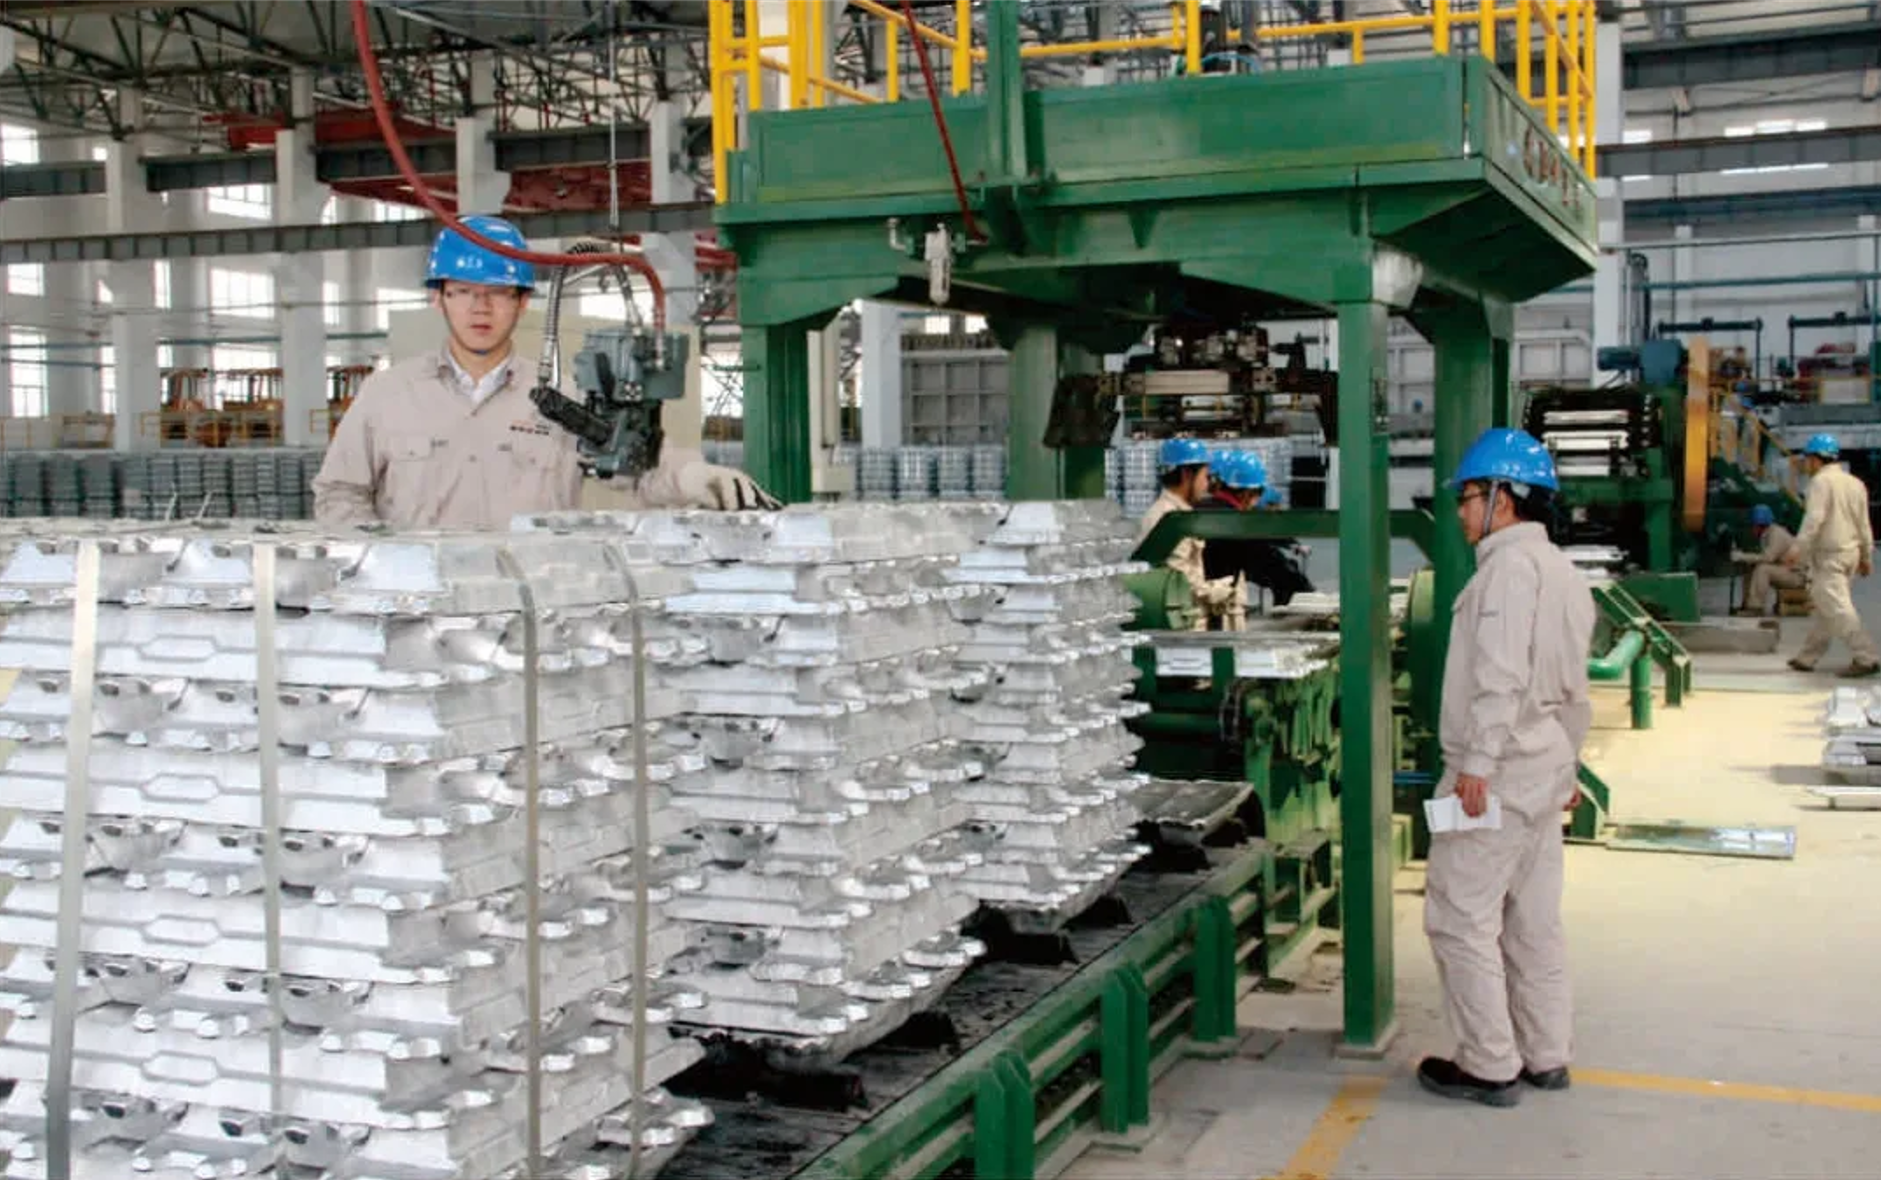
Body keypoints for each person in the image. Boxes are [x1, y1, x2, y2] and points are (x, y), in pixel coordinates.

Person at [314, 215, 778, 531]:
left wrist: (694, 476)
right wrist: (380, 565)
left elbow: (638, 469)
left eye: (499, 293)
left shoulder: (564, 401)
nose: (481, 307)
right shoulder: (387, 395)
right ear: (438, 298)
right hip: (419, 616)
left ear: (522, 302)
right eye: (464, 291)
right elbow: (339, 495)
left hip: (531, 612)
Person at [1420, 427, 1595, 1110]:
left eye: (1467, 498)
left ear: (1503, 497)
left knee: (1458, 918)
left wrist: (1477, 763)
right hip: (1543, 766)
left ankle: (1488, 1064)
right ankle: (1546, 1055)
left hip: (1499, 772)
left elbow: (1500, 676)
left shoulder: (1505, 573)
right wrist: (1569, 768)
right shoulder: (1564, 573)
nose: (1460, 513)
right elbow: (1575, 688)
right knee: (1532, 922)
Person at [1782, 433, 1879, 676]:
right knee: (1825, 607)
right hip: (1850, 555)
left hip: (1830, 556)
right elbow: (1864, 524)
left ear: (1816, 459)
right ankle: (1807, 657)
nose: (1806, 464)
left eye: (1807, 459)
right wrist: (1866, 556)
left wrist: (1797, 549)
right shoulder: (1855, 483)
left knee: (1837, 608)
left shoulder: (1820, 483)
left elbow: (1814, 520)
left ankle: (1866, 657)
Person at [1731, 504, 1802, 617]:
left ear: (1759, 525)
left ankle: (1756, 607)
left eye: (1753, 525)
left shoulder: (1777, 534)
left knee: (1763, 569)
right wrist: (1747, 559)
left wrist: (1742, 556)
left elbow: (1768, 557)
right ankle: (1747, 605)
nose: (1752, 528)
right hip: (1785, 570)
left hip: (1797, 576)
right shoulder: (1767, 533)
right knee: (1752, 567)